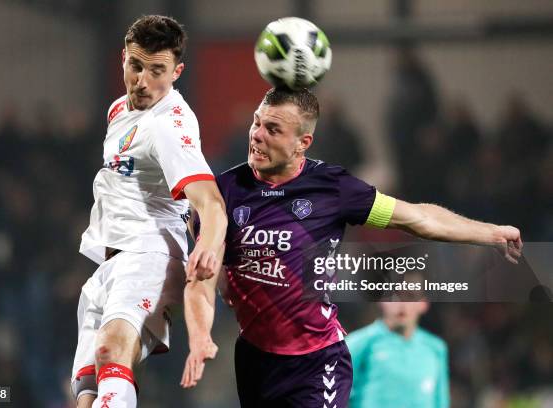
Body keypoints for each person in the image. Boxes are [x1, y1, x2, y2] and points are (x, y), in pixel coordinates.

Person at [181, 87, 522, 407]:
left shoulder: (332, 188)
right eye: (257, 122)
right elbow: (202, 277)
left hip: (317, 359)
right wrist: (200, 333)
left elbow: (417, 218)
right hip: (255, 358)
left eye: (272, 129)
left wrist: (490, 232)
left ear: (303, 142)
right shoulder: (223, 191)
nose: (257, 134)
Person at [70, 15, 227, 408]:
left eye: (157, 71)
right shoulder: (119, 110)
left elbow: (210, 201)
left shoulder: (169, 126)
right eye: (135, 66)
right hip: (110, 262)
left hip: (149, 256)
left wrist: (207, 246)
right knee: (88, 386)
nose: (143, 81)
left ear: (177, 71)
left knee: (112, 349)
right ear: (123, 58)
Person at [346, 274, 450, 408]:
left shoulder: (436, 348)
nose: (402, 304)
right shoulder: (357, 344)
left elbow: (441, 402)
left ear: (423, 304)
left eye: (410, 296)